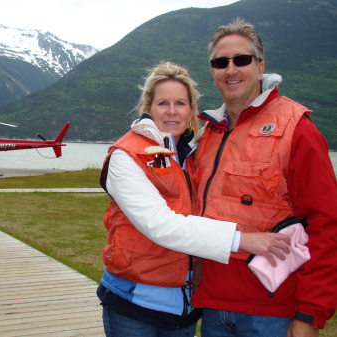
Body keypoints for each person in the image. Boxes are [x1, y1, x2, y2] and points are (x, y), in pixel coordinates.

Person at [97, 61, 292, 337]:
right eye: (163, 103)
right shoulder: (125, 155)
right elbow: (160, 225)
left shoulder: (196, 155)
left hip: (183, 308)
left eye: (180, 103)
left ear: (191, 111)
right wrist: (243, 240)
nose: (172, 111)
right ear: (148, 109)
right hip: (134, 302)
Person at [191, 18, 337, 337]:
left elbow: (326, 225)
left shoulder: (297, 129)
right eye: (220, 62)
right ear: (212, 71)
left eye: (241, 59)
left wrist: (310, 315)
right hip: (212, 307)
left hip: (272, 315)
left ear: (260, 67)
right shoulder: (207, 134)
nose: (231, 69)